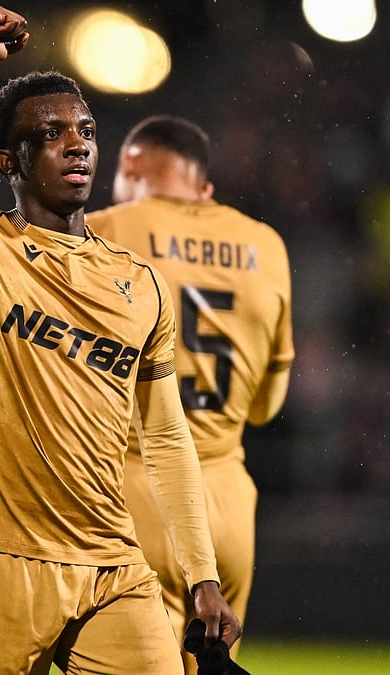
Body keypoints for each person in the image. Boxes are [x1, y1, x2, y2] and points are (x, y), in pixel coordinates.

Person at [0, 6, 241, 674]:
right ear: (10, 158)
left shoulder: (142, 285)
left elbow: (164, 437)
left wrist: (201, 573)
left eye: (87, 131)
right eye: (52, 134)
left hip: (111, 564)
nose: (78, 144)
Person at [87, 115, 293, 671]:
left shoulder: (105, 228)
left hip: (132, 487)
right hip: (227, 497)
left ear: (129, 167)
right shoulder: (265, 244)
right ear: (204, 187)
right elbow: (267, 404)